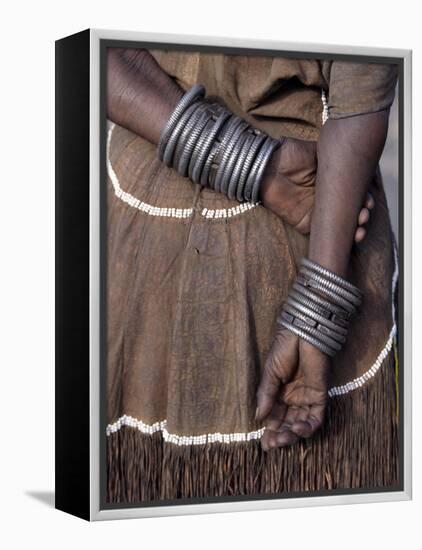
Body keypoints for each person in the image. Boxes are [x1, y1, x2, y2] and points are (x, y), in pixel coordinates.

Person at [105, 47, 399, 502]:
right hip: (322, 217)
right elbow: (359, 99)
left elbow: (92, 51)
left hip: (146, 235)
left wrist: (251, 164)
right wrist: (317, 315)